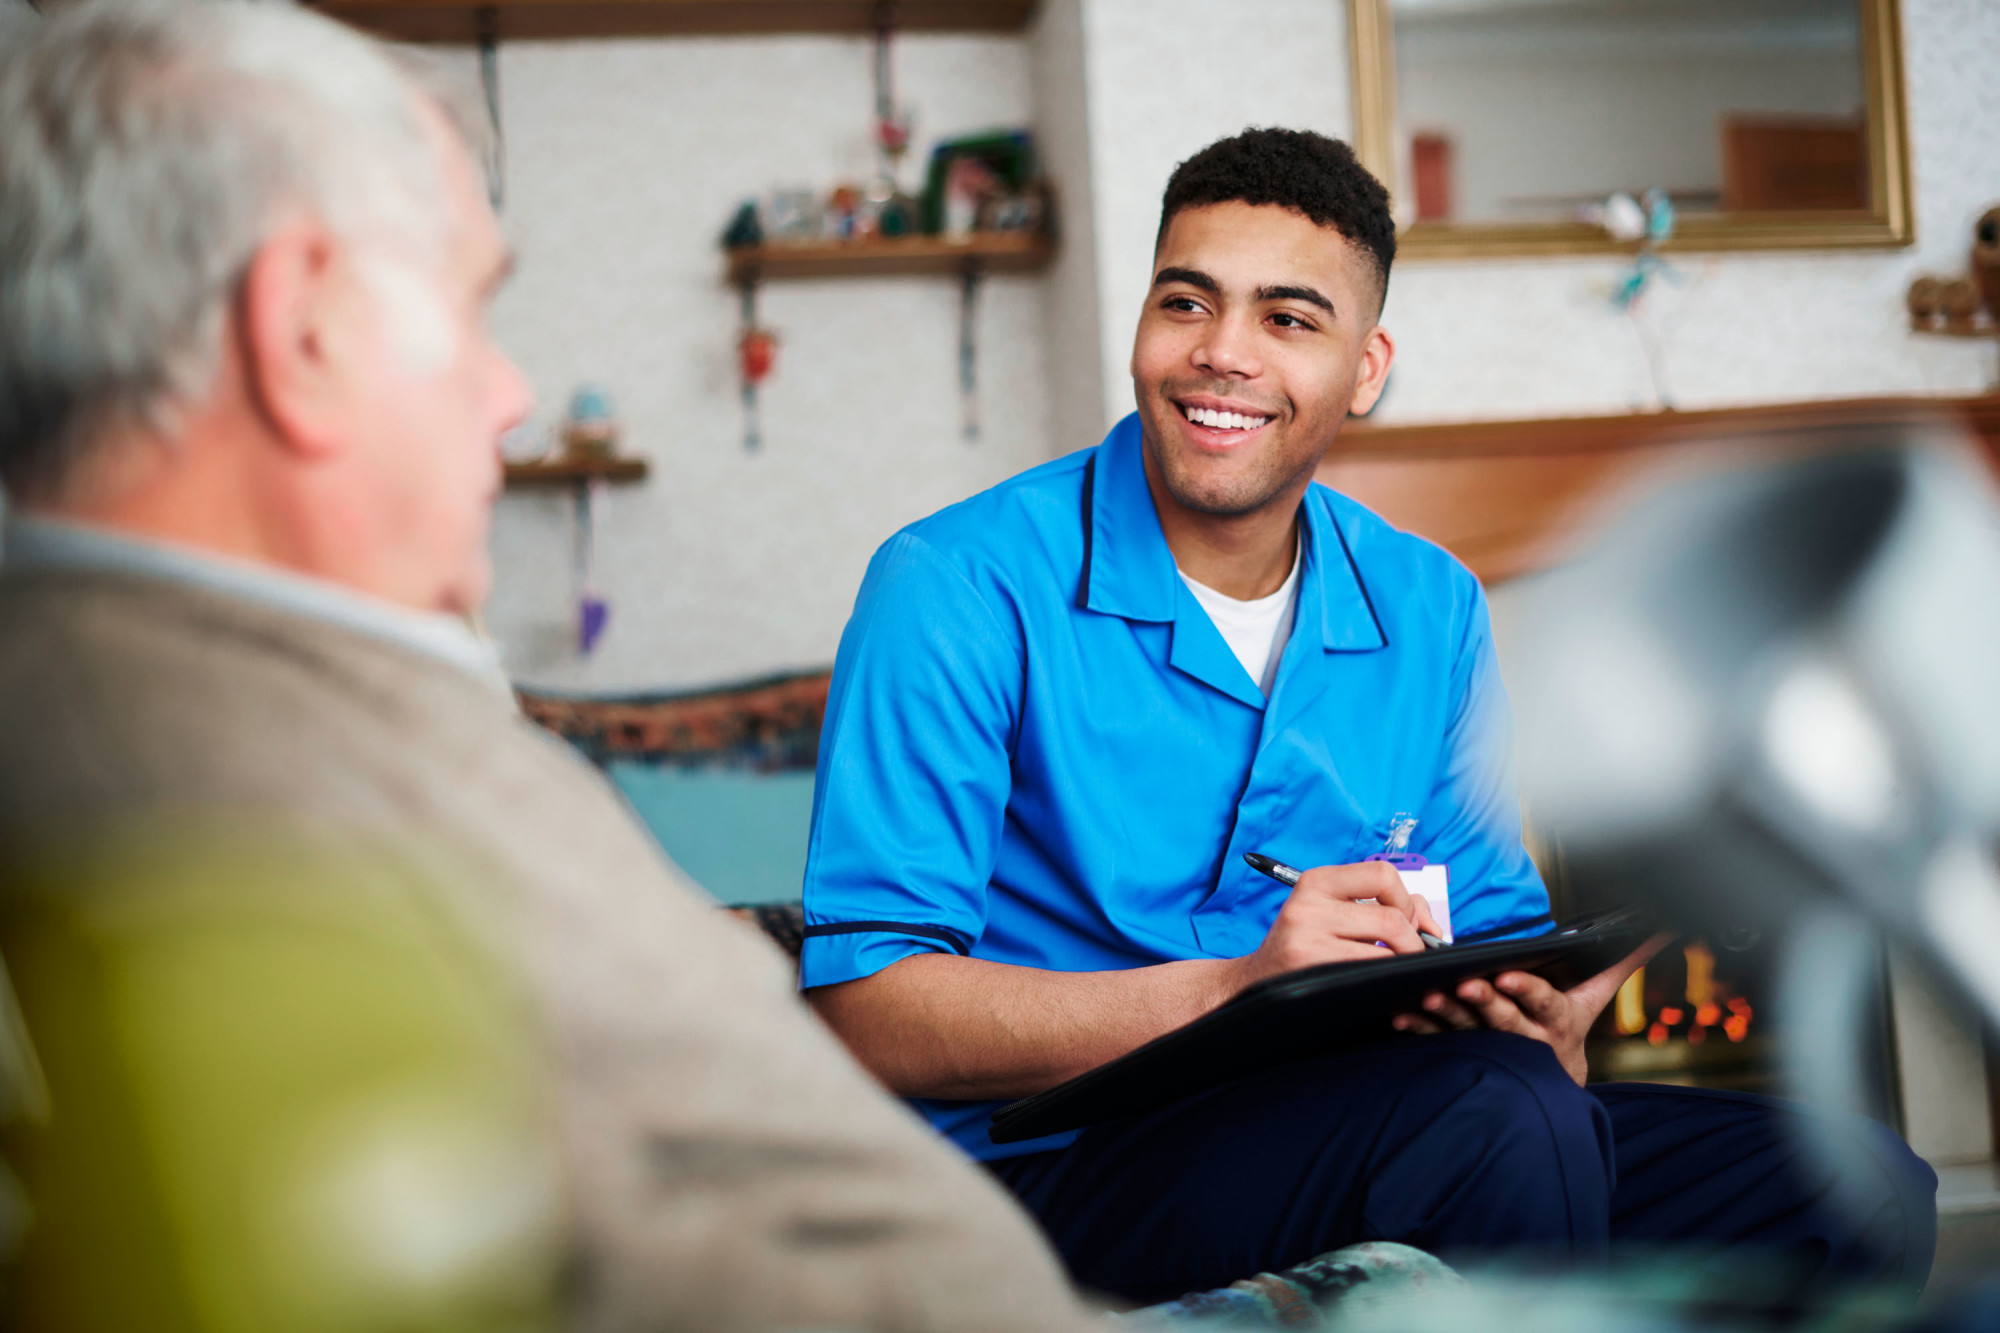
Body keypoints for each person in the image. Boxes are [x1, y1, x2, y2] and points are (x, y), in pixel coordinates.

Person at [0, 5, 1098, 1330]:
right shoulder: (254, 765)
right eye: (473, 307)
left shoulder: (152, 685)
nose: (510, 390)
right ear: (306, 334)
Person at [800, 128, 1938, 1304]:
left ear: (1365, 367)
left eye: (1287, 319)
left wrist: (1541, 1010)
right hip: (1047, 1164)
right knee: (1501, 1122)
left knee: (1858, 1185)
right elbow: (870, 1011)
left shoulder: (1429, 603)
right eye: (1185, 302)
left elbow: (1489, 935)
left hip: (1372, 1111)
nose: (1220, 355)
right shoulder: (950, 585)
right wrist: (1236, 985)